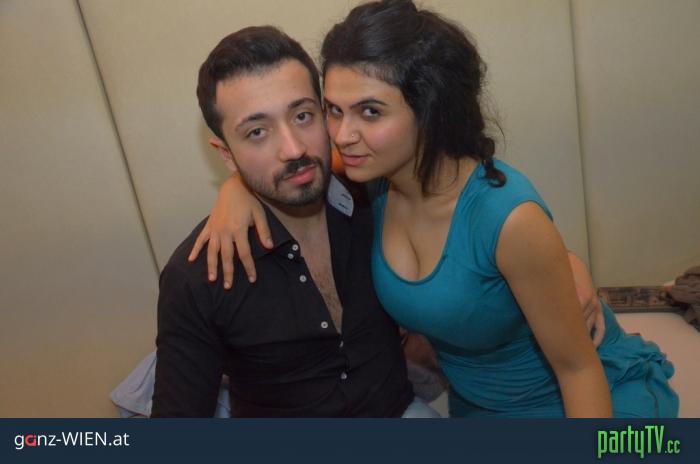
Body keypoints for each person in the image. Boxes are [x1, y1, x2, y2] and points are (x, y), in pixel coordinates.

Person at [192, 0, 678, 417]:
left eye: (370, 111)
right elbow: (289, 161)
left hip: (580, 402)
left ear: (429, 110)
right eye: (334, 110)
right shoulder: (369, 175)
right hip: (479, 411)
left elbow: (578, 371)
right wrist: (236, 189)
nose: (342, 134)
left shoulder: (505, 217)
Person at [152, 25, 440, 417]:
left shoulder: (375, 198)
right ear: (226, 154)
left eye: (303, 116)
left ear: (326, 114)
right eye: (257, 132)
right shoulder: (199, 276)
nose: (293, 149)